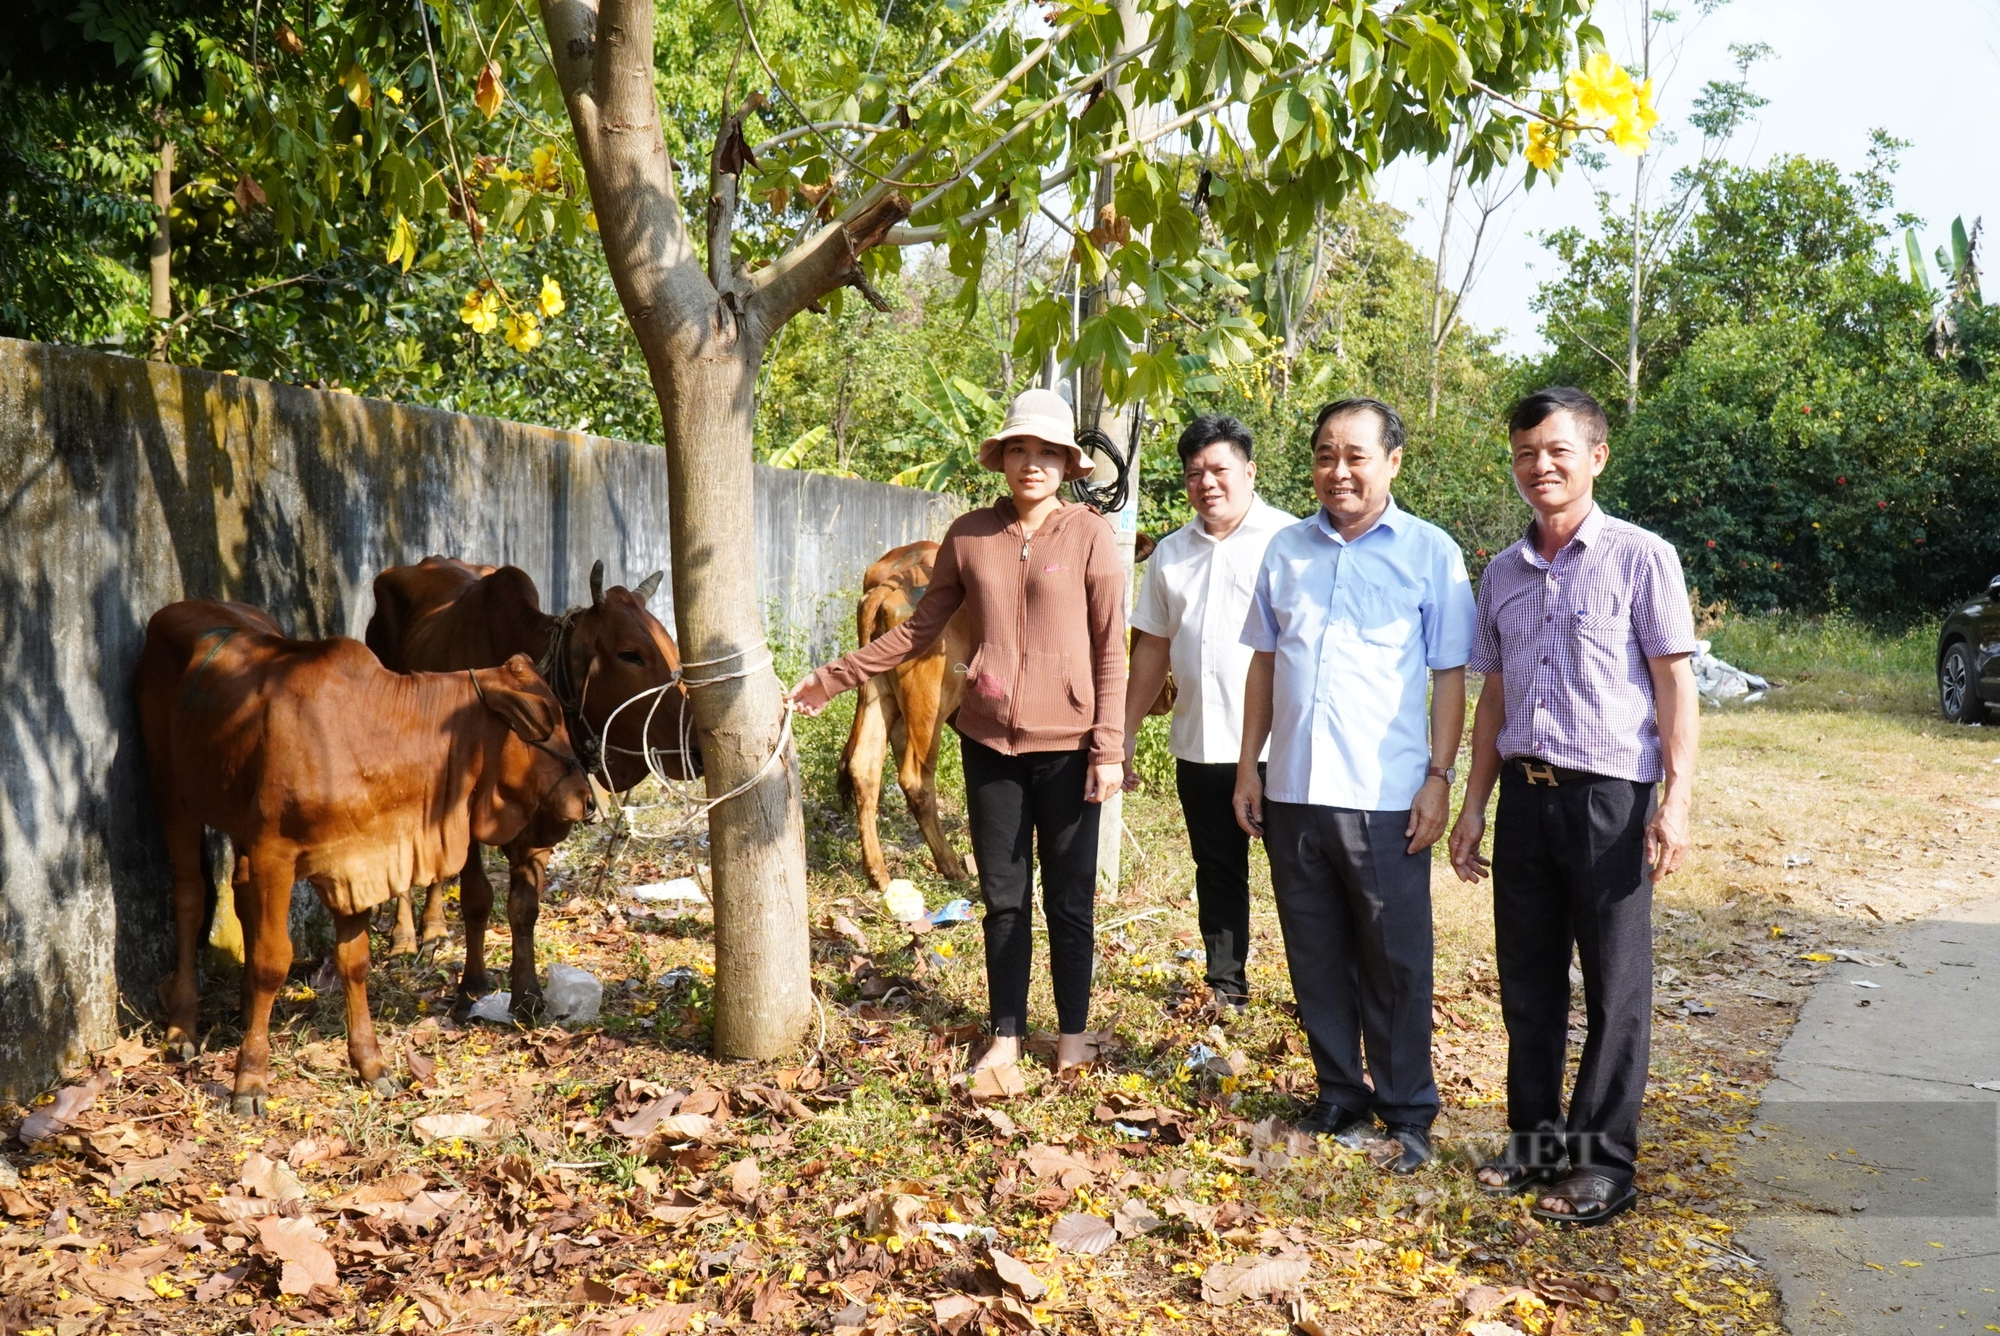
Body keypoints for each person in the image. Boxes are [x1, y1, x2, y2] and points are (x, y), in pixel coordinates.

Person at [787, 388, 1126, 1076]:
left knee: (1068, 899)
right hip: (991, 744)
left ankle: (1070, 1038)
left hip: (1069, 749)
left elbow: (1109, 648)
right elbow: (917, 630)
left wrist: (1110, 748)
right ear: (1002, 458)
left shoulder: (1091, 535)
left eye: (1047, 453)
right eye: (1019, 450)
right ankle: (1004, 1036)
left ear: (1068, 464)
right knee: (1003, 898)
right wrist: (831, 678)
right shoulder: (970, 536)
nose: (1032, 464)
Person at [1446, 386, 1699, 1226]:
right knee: (1527, 982)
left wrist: (1677, 800)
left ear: (1596, 456)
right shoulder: (1503, 572)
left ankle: (1601, 1165)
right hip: (1525, 798)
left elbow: (1673, 681)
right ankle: (1535, 1143)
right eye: (1525, 453)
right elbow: (1494, 694)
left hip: (1611, 801)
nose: (1539, 467)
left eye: (1557, 451)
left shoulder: (1640, 557)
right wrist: (1473, 802)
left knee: (1615, 987)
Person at [1234, 398, 1474, 1172]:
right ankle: (1339, 1089)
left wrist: (1439, 778)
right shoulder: (1285, 550)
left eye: (1356, 456)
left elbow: (1448, 677)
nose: (1338, 471)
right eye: (1325, 455)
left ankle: (1406, 1109)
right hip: (1296, 789)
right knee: (1314, 949)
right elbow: (1266, 663)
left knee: (1395, 957)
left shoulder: (1430, 553)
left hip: (1385, 796)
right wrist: (1249, 764)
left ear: (1393, 462)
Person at [1122, 414, 1292, 1010]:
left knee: (1300, 876)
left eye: (1220, 469)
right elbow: (1151, 649)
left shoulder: (1291, 542)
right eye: (1194, 473)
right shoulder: (1170, 554)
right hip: (1199, 744)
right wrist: (1122, 734)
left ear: (1249, 471)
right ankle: (1226, 985)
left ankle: (1320, 990)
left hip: (1281, 749)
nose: (1207, 483)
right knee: (1216, 870)